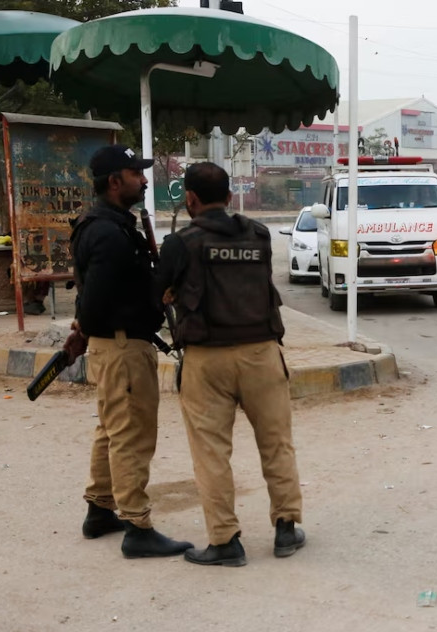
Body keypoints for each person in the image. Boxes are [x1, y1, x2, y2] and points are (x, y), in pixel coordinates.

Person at [156, 162, 304, 567]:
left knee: (211, 454)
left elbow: (158, 293)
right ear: (228, 194)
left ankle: (225, 541)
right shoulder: (259, 235)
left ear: (190, 199)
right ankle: (286, 529)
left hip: (207, 359)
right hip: (262, 353)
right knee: (276, 444)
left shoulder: (180, 243)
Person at [69, 144, 193, 559]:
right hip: (121, 347)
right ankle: (137, 526)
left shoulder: (110, 224)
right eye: (135, 174)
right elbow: (96, 299)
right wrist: (83, 328)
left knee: (111, 430)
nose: (143, 180)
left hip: (116, 343)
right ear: (114, 181)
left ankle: (101, 508)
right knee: (131, 436)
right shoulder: (107, 231)